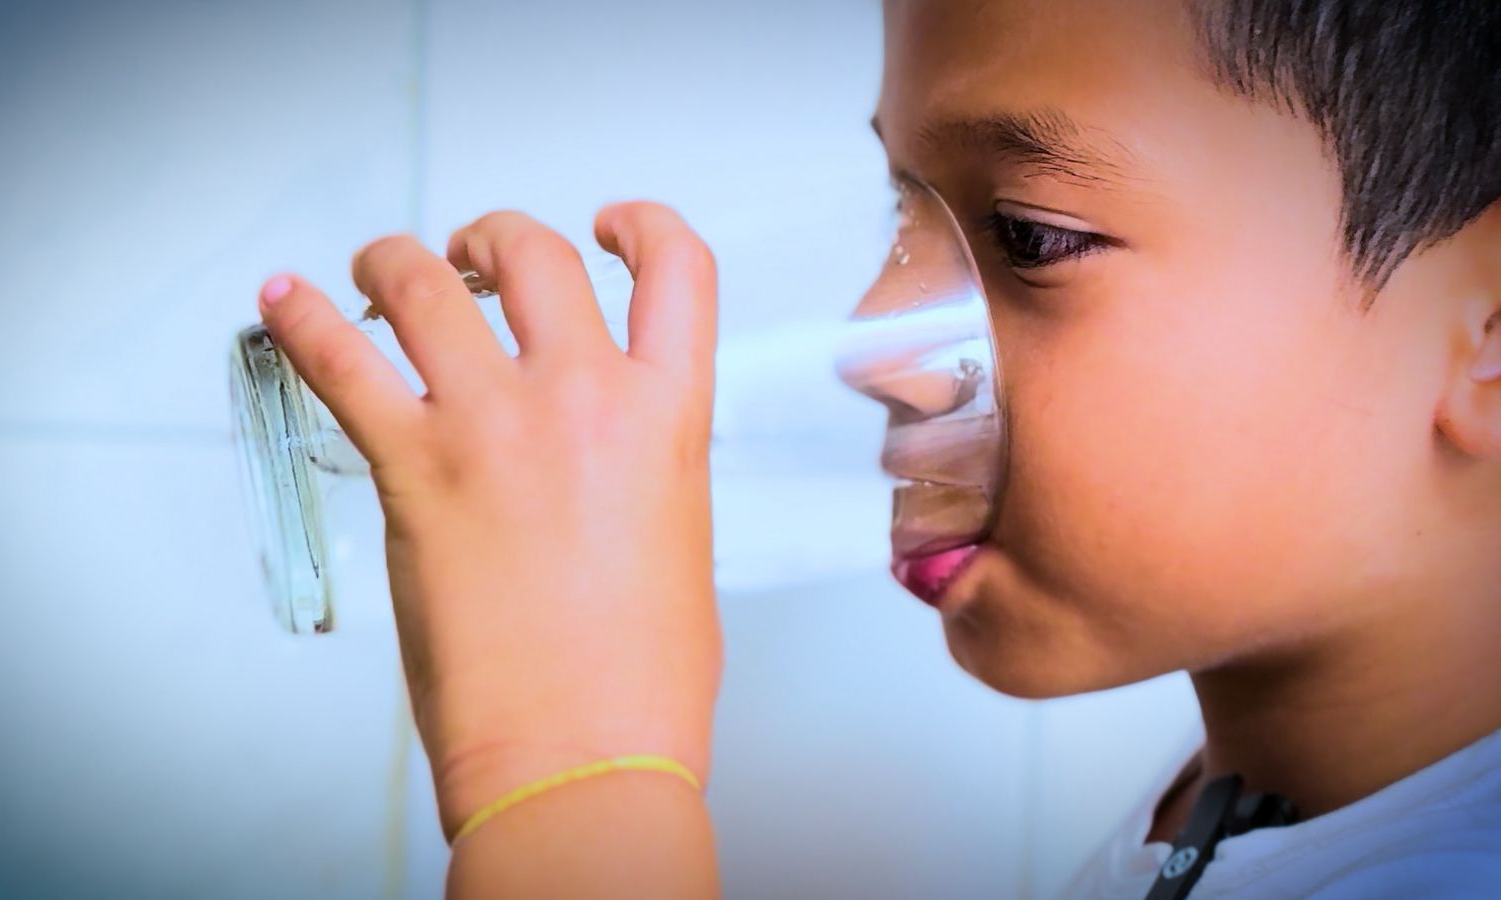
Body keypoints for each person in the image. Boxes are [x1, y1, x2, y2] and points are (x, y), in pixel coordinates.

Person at [255, 0, 1501, 896]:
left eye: (1029, 235)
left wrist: (570, 781)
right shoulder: (1258, 809)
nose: (875, 345)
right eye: (906, 212)